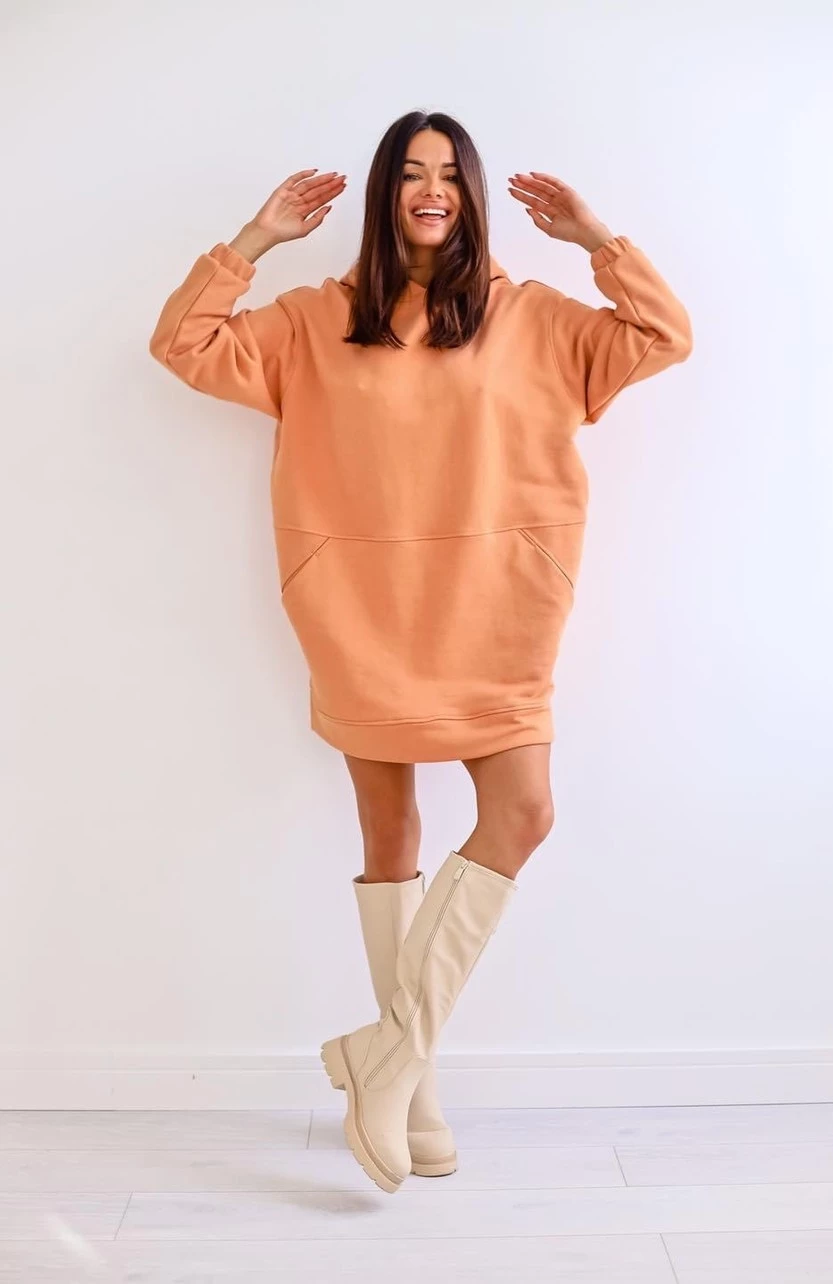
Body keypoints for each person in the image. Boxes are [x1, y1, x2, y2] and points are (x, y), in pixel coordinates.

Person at [149, 109, 693, 1195]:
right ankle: (415, 1084)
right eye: (410, 172)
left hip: (499, 611)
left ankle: (390, 1055)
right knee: (389, 831)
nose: (431, 189)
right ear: (384, 193)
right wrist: (254, 240)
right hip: (361, 610)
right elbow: (185, 345)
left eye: (448, 173)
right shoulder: (318, 319)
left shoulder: (534, 318)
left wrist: (597, 240)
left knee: (523, 814)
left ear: (473, 194)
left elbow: (662, 335)